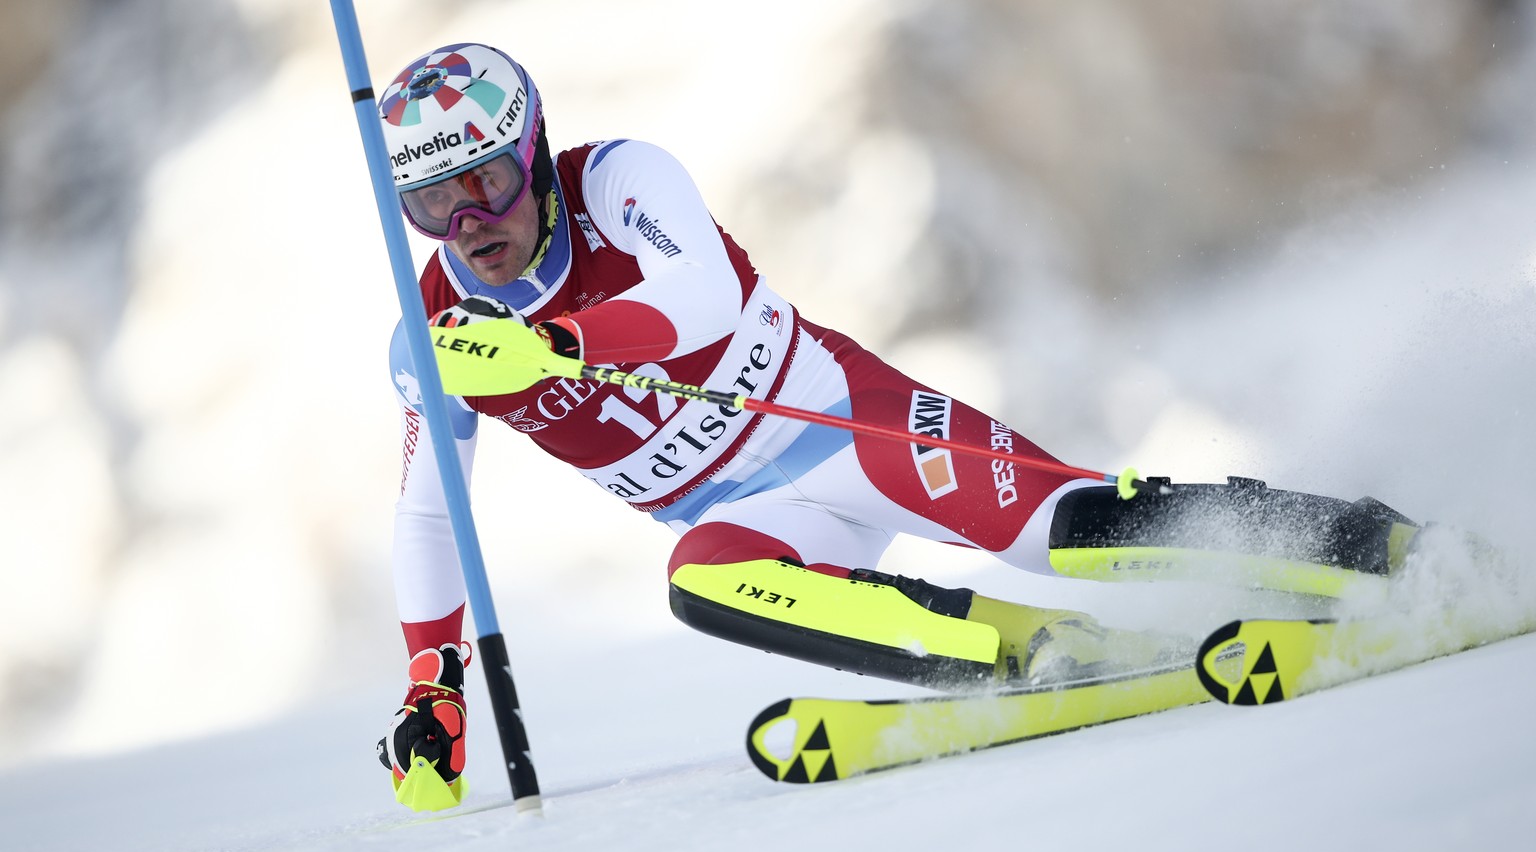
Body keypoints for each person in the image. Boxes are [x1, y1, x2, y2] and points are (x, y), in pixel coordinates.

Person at [373, 42, 1420, 801]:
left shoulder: (617, 180)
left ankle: (1373, 546)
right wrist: (436, 679)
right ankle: (1032, 653)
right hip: (760, 514)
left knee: (1070, 532)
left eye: (491, 183)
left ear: (535, 152)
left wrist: (561, 347)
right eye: (435, 206)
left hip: (840, 420)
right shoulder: (440, 327)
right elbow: (430, 516)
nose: (473, 225)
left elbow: (701, 301)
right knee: (702, 579)